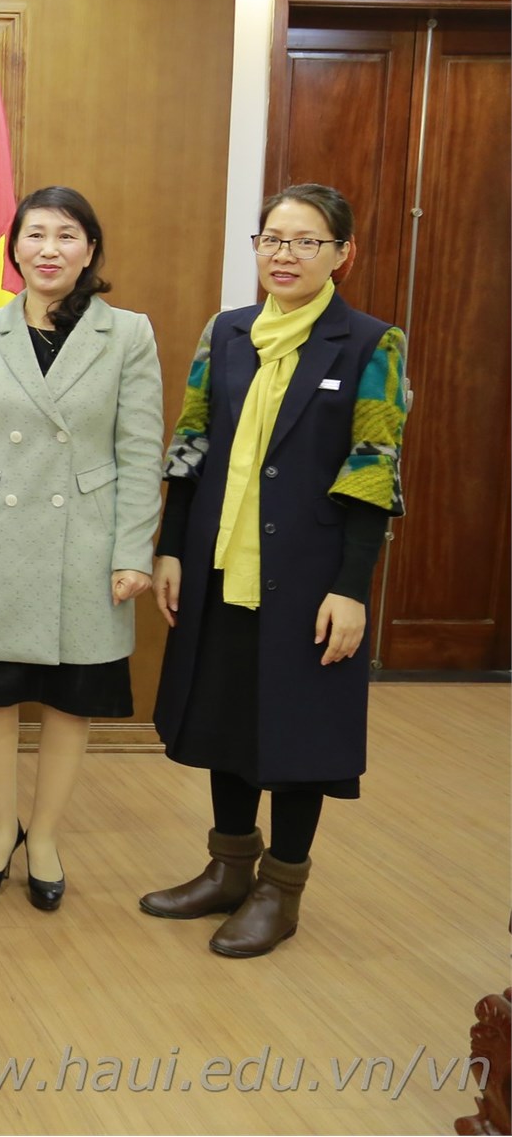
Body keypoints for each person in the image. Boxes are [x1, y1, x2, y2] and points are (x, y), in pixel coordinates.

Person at [143, 183, 408, 958]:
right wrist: (172, 549)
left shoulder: (368, 343)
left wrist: (351, 587)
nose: (284, 255)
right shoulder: (225, 334)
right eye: (271, 239)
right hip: (223, 563)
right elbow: (190, 447)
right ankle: (228, 869)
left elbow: (372, 468)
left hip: (310, 575)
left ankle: (279, 889)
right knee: (227, 717)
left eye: (305, 242)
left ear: (341, 255)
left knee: (296, 733)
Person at [0, 186, 161, 913]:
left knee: (68, 700)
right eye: (35, 235)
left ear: (89, 249)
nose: (49, 249)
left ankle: (48, 837)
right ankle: (0, 832)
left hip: (84, 544)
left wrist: (132, 551)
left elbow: (139, 446)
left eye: (66, 236)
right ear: (14, 248)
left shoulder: (127, 334)